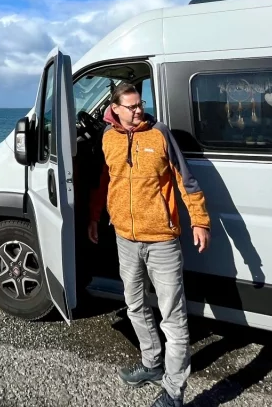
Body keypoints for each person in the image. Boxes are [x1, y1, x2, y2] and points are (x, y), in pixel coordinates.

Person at [88, 81, 211, 407]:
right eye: (131, 106)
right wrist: (94, 216)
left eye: (140, 104)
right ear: (114, 109)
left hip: (162, 239)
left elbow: (187, 180)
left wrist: (199, 220)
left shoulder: (159, 133)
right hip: (125, 237)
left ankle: (173, 392)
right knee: (135, 305)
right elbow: (106, 181)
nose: (139, 110)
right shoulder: (108, 138)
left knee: (173, 316)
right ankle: (152, 364)